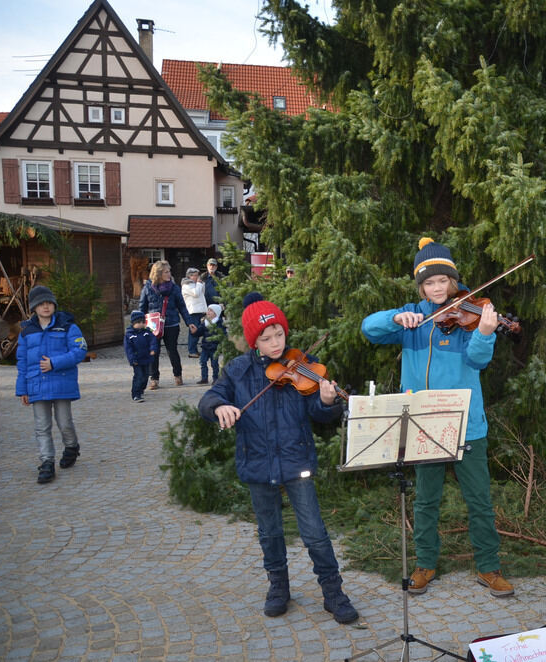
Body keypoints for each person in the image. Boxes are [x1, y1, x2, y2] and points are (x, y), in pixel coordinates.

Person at [361, 237, 514, 598]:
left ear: (453, 281)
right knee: (426, 499)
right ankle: (425, 563)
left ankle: (489, 568)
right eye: (428, 283)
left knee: (478, 499)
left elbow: (478, 361)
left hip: (467, 425)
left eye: (442, 281)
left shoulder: (469, 317)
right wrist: (395, 317)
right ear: (421, 287)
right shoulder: (412, 318)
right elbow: (369, 329)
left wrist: (486, 334)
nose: (436, 289)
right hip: (422, 424)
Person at [198, 294, 358, 623]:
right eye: (266, 338)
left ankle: (333, 591)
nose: (275, 343)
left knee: (314, 531)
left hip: (296, 460)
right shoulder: (238, 370)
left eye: (279, 335)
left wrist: (328, 401)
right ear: (253, 341)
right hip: (257, 462)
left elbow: (320, 414)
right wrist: (219, 407)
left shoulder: (304, 365)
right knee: (269, 532)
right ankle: (278, 587)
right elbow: (210, 397)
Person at [14, 286, 88, 484]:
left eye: (49, 303)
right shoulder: (26, 332)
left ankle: (71, 446)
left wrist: (55, 362)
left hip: (61, 384)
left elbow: (80, 350)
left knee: (64, 423)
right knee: (42, 427)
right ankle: (47, 462)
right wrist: (22, 389)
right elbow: (22, 363)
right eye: (41, 304)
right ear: (34, 308)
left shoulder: (68, 326)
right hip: (36, 386)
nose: (45, 307)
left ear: (54, 305)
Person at [139, 260, 197, 389]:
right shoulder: (148, 288)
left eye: (169, 271)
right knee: (154, 351)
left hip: (171, 323)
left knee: (172, 350)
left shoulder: (174, 288)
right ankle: (154, 379)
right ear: (158, 273)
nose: (169, 274)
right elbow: (142, 307)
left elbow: (182, 306)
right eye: (166, 272)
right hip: (153, 325)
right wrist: (139, 324)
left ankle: (178, 376)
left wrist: (189, 323)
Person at [124, 311, 158, 402]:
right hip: (136, 360)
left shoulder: (147, 332)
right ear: (133, 323)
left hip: (146, 358)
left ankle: (141, 388)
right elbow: (128, 349)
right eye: (139, 323)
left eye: (143, 322)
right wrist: (132, 359)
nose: (141, 324)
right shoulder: (129, 334)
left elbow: (153, 341)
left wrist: (153, 349)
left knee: (146, 376)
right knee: (138, 376)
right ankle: (136, 394)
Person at [191, 303, 224, 384]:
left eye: (211, 311)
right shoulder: (205, 323)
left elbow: (223, 334)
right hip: (205, 346)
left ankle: (216, 378)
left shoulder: (219, 323)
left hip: (214, 347)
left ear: (216, 313)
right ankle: (204, 378)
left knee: (214, 364)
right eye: (208, 310)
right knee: (202, 362)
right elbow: (200, 332)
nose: (208, 312)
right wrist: (195, 332)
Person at [182, 267, 207, 358]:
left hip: (199, 310)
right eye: (195, 275)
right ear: (190, 276)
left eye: (198, 275)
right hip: (193, 311)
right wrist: (200, 284)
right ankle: (192, 350)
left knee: (199, 331)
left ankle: (195, 350)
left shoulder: (195, 284)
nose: (197, 277)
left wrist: (201, 284)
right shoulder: (186, 285)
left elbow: (202, 293)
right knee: (193, 331)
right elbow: (196, 293)